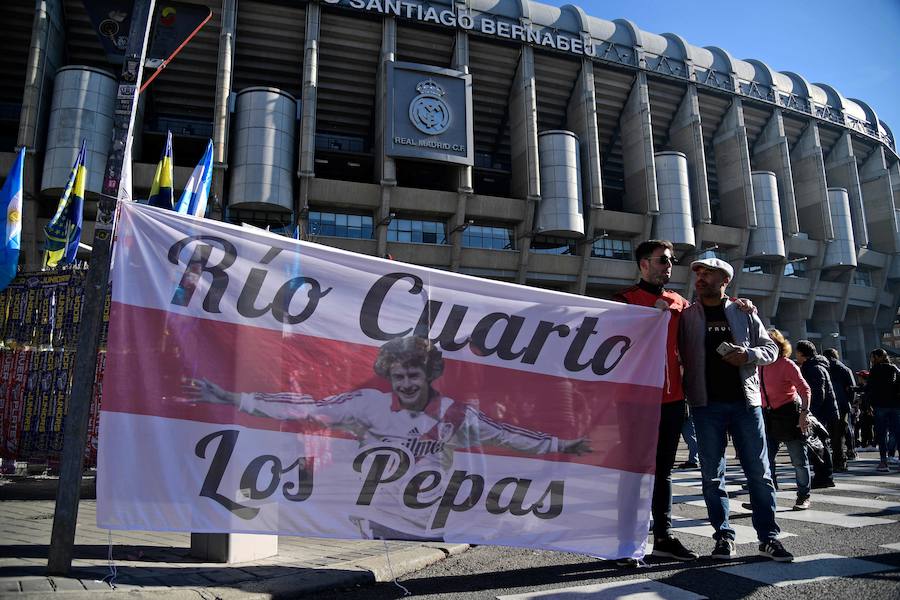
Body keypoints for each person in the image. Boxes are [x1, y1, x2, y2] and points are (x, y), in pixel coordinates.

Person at [184, 336, 591, 541]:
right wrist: (235, 398)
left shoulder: (454, 413)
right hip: (374, 522)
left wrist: (560, 446)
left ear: (429, 375)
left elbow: (506, 435)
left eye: (414, 375)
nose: (406, 383)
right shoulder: (367, 404)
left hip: (433, 525)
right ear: (389, 376)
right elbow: (306, 407)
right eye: (399, 376)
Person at [679, 257, 793, 562]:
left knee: (759, 474)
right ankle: (723, 537)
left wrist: (749, 355)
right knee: (712, 477)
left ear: (724, 280)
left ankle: (769, 538)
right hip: (705, 406)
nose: (701, 277)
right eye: (698, 273)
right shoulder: (686, 316)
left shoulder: (743, 311)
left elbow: (770, 349)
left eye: (708, 273)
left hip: (746, 404)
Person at [612, 240, 698, 562]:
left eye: (671, 260)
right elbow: (614, 344)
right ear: (643, 264)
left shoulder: (679, 302)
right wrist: (648, 316)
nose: (668, 266)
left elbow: (700, 332)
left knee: (663, 471)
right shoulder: (624, 301)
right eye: (662, 260)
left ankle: (664, 537)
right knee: (633, 471)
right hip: (634, 400)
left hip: (672, 399)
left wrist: (740, 306)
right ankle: (624, 541)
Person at [760, 329, 813, 510]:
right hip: (767, 415)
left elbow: (805, 389)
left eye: (769, 343)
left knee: (798, 459)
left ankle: (803, 496)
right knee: (765, 460)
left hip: (789, 414)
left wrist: (804, 412)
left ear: (779, 346)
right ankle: (767, 497)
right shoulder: (759, 365)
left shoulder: (787, 364)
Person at [795, 341, 840, 487]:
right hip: (824, 411)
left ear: (802, 353)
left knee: (819, 445)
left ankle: (824, 476)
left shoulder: (814, 368)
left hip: (820, 413)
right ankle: (824, 475)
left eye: (797, 352)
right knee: (820, 444)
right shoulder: (816, 366)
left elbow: (817, 394)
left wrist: (809, 411)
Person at [864, 348, 900, 472]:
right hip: (895, 404)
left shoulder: (875, 370)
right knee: (897, 432)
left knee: (882, 434)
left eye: (873, 357)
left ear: (878, 357)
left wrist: (868, 405)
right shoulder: (893, 368)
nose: (871, 359)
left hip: (880, 405)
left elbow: (869, 389)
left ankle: (884, 462)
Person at [823, 348, 857, 464]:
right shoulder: (845, 369)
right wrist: (850, 402)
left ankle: (835, 457)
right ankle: (848, 452)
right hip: (843, 404)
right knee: (845, 430)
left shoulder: (823, 368)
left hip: (827, 404)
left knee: (831, 432)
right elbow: (852, 389)